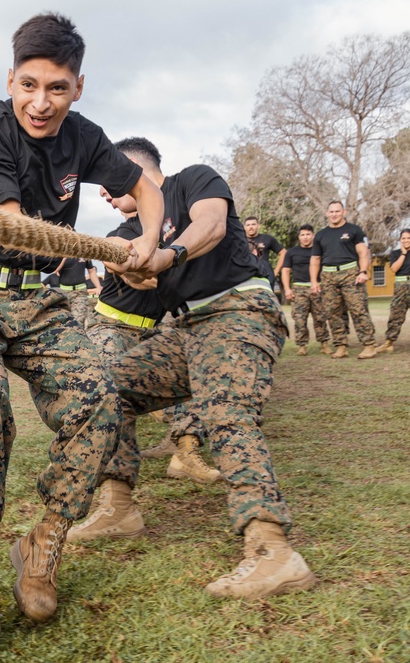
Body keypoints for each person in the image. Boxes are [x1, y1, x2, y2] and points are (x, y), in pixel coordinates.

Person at [0, 14, 163, 646]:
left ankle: (44, 540)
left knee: (100, 403)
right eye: (29, 85)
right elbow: (14, 224)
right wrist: (101, 247)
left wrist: (150, 245)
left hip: (40, 302)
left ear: (78, 87)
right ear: (11, 80)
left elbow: (147, 187)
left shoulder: (85, 137)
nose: (40, 102)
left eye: (56, 88)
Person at [70, 137, 315, 600]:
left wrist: (166, 254)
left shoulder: (193, 181)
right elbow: (133, 268)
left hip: (240, 310)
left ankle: (274, 551)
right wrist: (132, 267)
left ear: (130, 170)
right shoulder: (132, 231)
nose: (102, 192)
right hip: (189, 329)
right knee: (107, 387)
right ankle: (118, 508)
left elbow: (213, 225)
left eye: (107, 180)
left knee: (225, 410)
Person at [77, 196, 218, 487]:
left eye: (111, 192)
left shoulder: (178, 230)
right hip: (111, 325)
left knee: (195, 368)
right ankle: (109, 481)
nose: (109, 199)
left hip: (153, 327)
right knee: (105, 391)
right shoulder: (124, 234)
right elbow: (140, 279)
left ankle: (185, 453)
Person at [310, 201, 377, 359]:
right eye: (331, 211)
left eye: (337, 211)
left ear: (344, 212)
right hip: (328, 275)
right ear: (327, 213)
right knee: (332, 312)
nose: (334, 214)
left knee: (358, 310)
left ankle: (369, 345)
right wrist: (314, 281)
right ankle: (341, 346)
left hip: (350, 273)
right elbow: (315, 259)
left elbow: (363, 253)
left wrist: (363, 272)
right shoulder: (320, 235)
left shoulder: (354, 230)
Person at [281, 225, 331, 356]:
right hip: (299, 288)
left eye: (308, 234)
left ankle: (324, 344)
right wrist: (287, 289)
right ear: (299, 237)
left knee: (320, 317)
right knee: (299, 319)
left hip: (317, 287)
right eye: (302, 235)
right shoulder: (291, 252)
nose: (305, 237)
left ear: (313, 235)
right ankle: (302, 345)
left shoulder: (319, 251)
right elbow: (285, 270)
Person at [380, 229, 410, 353]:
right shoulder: (396, 253)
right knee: (396, 314)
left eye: (408, 238)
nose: (406, 240)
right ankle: (389, 343)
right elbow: (394, 268)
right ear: (400, 240)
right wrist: (403, 254)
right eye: (403, 238)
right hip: (401, 285)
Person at [48, 256, 101, 326]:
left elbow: (91, 271)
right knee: (64, 319)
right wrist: (64, 257)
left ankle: (79, 332)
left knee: (79, 319)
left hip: (80, 292)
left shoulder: (83, 254)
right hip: (64, 292)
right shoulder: (60, 254)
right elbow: (55, 271)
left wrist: (98, 287)